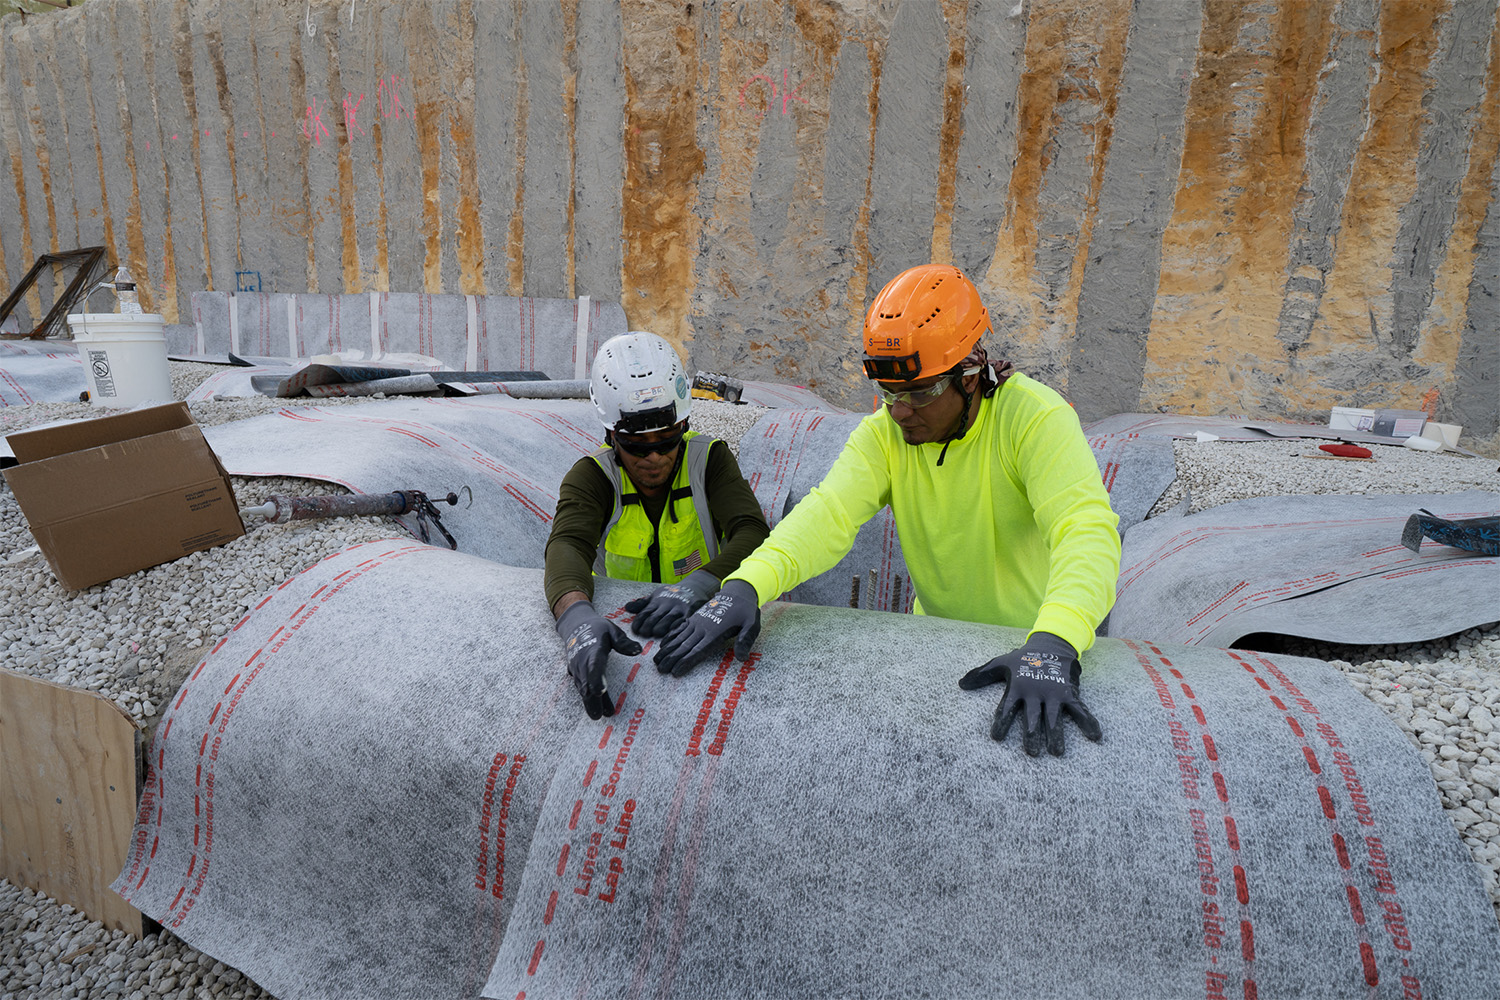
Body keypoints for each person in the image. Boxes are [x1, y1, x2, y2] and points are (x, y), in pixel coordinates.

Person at [653, 265, 1122, 757]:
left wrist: (1055, 641)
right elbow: (829, 513)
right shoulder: (886, 435)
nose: (900, 411)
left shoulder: (1033, 420)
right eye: (889, 393)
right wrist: (746, 586)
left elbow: (1084, 530)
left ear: (970, 376)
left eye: (920, 392)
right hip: (934, 640)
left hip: (1030, 649)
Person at [546, 331, 770, 720]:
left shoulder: (709, 460)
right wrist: (576, 618)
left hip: (703, 613)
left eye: (668, 440)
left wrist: (701, 584)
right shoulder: (593, 477)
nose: (654, 457)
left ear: (684, 423)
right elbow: (567, 546)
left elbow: (751, 529)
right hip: (633, 628)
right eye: (636, 445)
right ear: (611, 435)